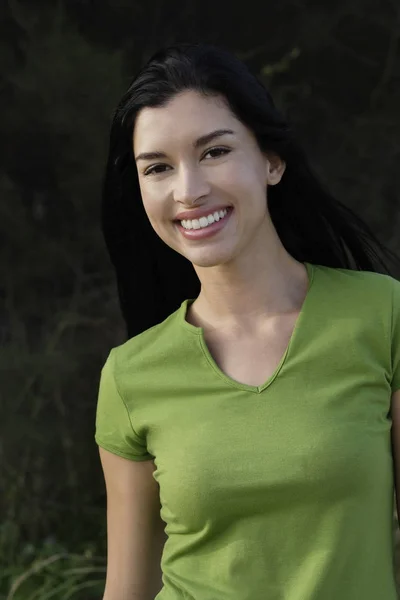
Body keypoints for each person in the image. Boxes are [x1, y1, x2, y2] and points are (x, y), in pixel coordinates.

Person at [95, 42, 400, 600]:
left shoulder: (384, 316)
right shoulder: (129, 376)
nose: (188, 190)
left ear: (272, 161)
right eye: (158, 167)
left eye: (213, 152)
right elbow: (128, 588)